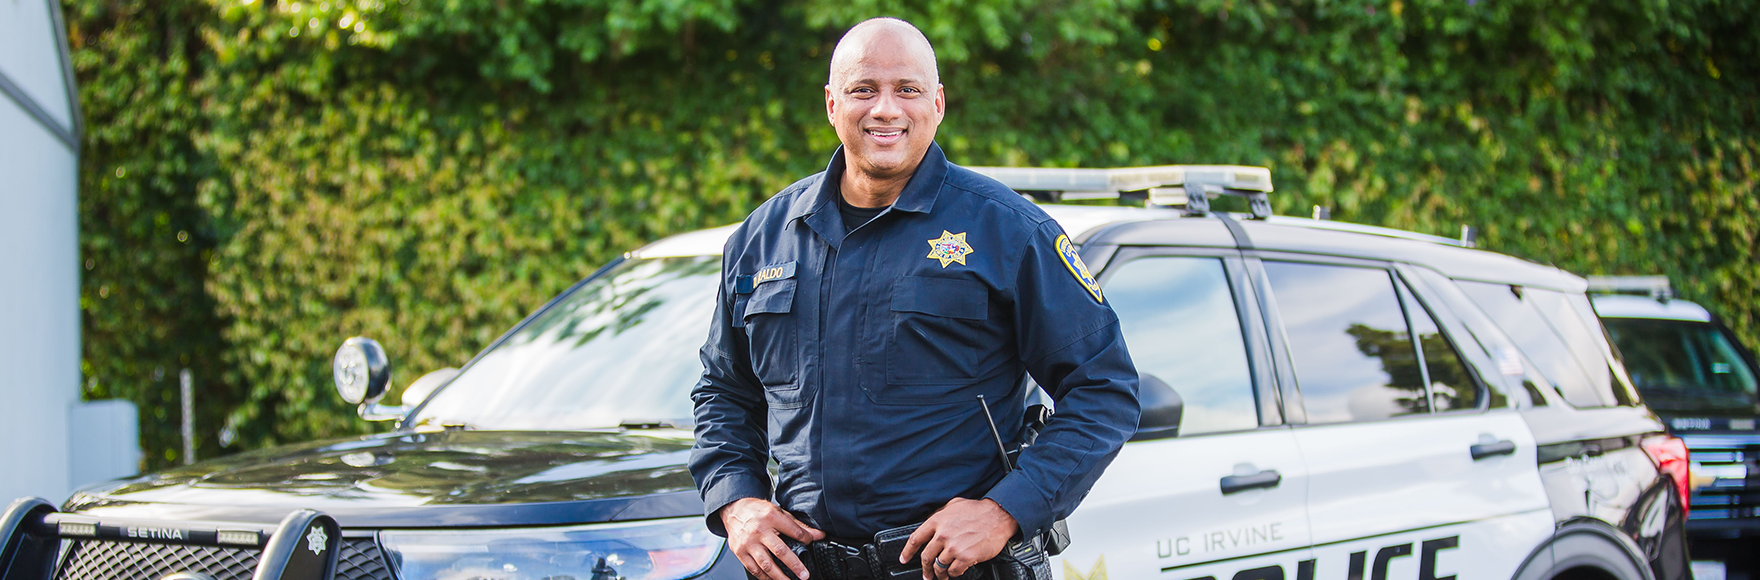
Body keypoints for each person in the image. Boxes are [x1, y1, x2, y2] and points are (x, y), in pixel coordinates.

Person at [689, 17, 1140, 580]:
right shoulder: (762, 238)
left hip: (951, 569)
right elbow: (724, 390)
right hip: (804, 569)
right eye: (863, 90)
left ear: (939, 102)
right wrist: (736, 501)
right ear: (832, 104)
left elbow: (1104, 388)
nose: (885, 109)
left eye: (907, 90)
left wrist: (1007, 509)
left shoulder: (1008, 231)